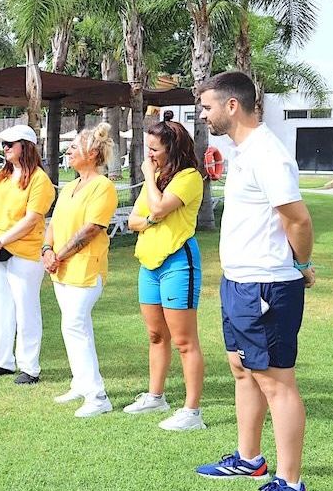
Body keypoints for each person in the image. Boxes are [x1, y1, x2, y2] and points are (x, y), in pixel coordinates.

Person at [195, 72, 315, 491]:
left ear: (232, 106)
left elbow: (297, 218)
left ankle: (290, 481)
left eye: (207, 107)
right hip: (240, 283)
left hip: (265, 286)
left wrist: (301, 265)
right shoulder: (243, 151)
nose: (204, 115)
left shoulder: (267, 153)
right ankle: (249, 460)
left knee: (277, 382)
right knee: (242, 369)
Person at [124, 120, 206, 431]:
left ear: (171, 148)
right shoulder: (156, 178)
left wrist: (147, 179)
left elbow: (157, 209)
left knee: (185, 341)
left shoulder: (188, 178)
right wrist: (150, 216)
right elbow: (134, 220)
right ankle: (156, 396)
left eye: (154, 150)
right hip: (149, 263)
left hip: (178, 263)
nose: (149, 156)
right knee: (156, 336)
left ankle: (192, 411)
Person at [43, 123, 118, 418]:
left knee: (75, 325)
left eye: (75, 146)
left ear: (92, 153)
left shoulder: (103, 186)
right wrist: (47, 251)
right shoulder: (71, 186)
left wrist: (58, 255)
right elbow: (54, 223)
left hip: (86, 269)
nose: (69, 151)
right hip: (61, 270)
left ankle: (97, 395)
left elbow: (91, 229)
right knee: (72, 325)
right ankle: (81, 382)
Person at [0, 125, 55, 381]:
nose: (5, 148)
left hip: (25, 253)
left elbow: (32, 219)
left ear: (26, 146)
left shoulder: (39, 180)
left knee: (26, 309)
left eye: (10, 143)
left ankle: (29, 366)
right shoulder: (0, 177)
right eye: (4, 144)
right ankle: (2, 360)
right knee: (0, 307)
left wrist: (1, 239)